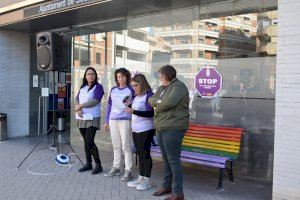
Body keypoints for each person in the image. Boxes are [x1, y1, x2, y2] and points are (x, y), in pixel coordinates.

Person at [149, 65, 189, 200]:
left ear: (166, 75)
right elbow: (150, 100)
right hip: (161, 127)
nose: (159, 77)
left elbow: (167, 104)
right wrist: (158, 101)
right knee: (166, 159)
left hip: (173, 127)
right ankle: (167, 186)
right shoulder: (162, 88)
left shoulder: (179, 87)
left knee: (173, 160)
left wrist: (158, 103)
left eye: (160, 75)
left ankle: (178, 193)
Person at [125, 74, 155, 191]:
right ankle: (141, 177)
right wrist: (129, 105)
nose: (134, 88)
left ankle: (146, 180)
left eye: (136, 85)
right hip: (136, 129)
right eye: (132, 86)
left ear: (142, 84)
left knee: (145, 154)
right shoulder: (136, 96)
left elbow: (151, 113)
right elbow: (135, 110)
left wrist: (133, 111)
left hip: (146, 129)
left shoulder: (149, 95)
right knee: (139, 153)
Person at [104, 68, 134, 181]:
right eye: (118, 77)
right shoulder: (113, 89)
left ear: (127, 77)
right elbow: (109, 106)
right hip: (113, 120)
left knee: (126, 146)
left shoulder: (131, 89)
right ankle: (116, 167)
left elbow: (134, 105)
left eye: (122, 76)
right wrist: (106, 121)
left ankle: (128, 170)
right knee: (116, 145)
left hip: (125, 120)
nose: (120, 79)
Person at [75, 67, 104, 175]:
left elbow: (94, 101)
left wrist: (80, 106)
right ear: (85, 76)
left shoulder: (98, 87)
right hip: (82, 117)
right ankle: (88, 163)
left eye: (92, 74)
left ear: (95, 75)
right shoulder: (82, 87)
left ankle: (98, 164)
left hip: (93, 117)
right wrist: (78, 109)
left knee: (89, 141)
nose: (90, 76)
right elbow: (76, 98)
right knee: (86, 142)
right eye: (88, 74)